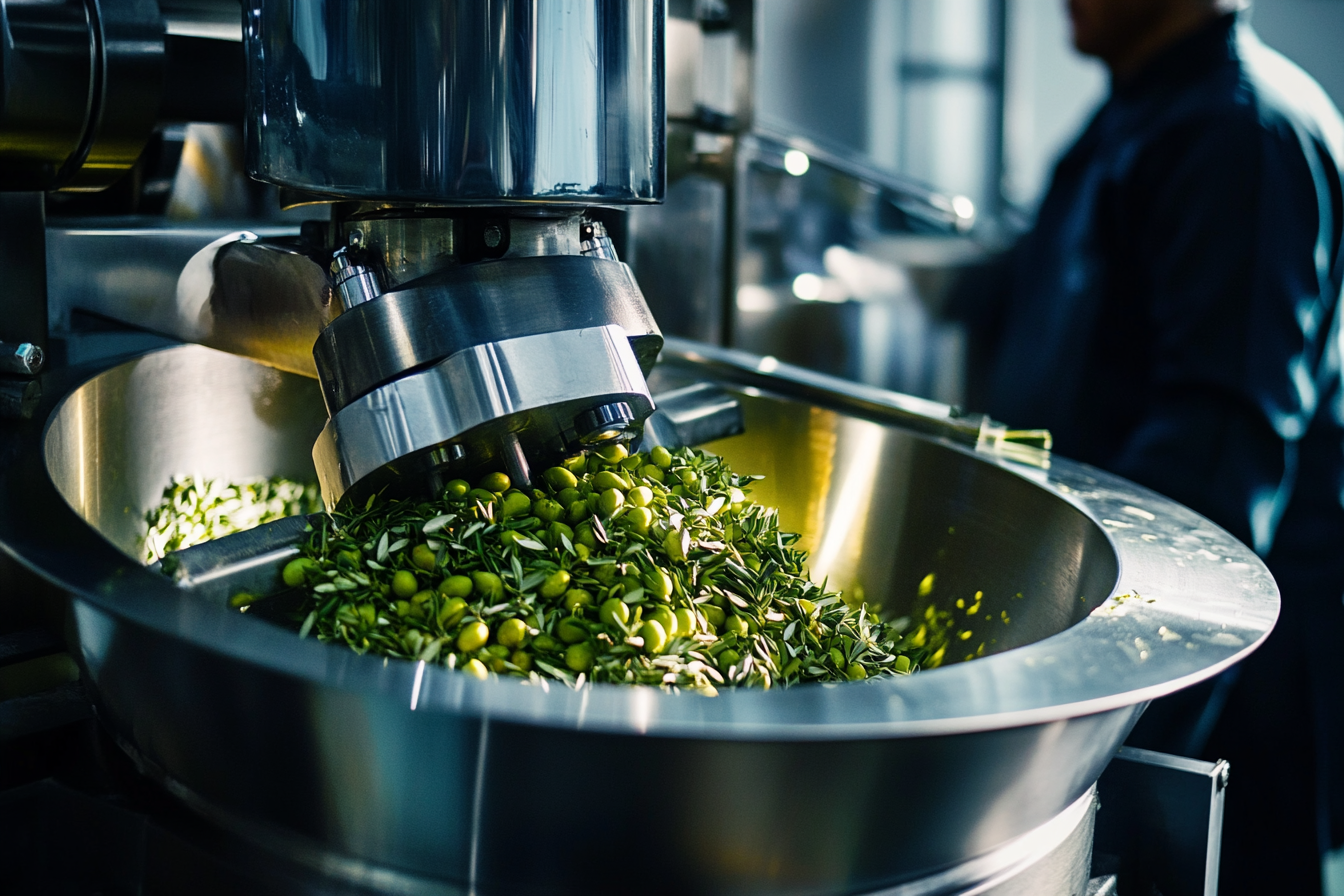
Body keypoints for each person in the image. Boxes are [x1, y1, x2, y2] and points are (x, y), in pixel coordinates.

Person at [958, 1, 1344, 892]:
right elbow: (1045, 287)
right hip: (1115, 640)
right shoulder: (1140, 107)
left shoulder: (1240, 137)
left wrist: (1106, 742)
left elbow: (1216, 461)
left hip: (1214, 707)